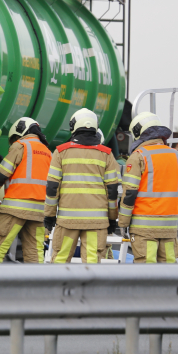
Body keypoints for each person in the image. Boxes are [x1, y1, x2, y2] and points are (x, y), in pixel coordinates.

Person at [45, 109, 121, 264]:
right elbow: (112, 191)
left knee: (60, 259)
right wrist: (112, 218)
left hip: (67, 221)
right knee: (92, 261)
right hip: (96, 222)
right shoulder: (107, 154)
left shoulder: (61, 152)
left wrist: (49, 216)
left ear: (73, 126)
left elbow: (52, 188)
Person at [118, 112, 178, 263]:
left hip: (144, 228)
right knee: (168, 268)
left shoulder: (138, 156)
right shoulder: (176, 155)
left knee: (147, 271)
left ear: (138, 132)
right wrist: (175, 214)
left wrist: (123, 223)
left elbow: (130, 193)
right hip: (169, 227)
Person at [0, 117, 52, 263]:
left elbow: (1, 175)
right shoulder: (48, 152)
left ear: (20, 131)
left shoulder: (21, 146)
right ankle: (38, 279)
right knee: (35, 252)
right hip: (40, 211)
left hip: (15, 208)